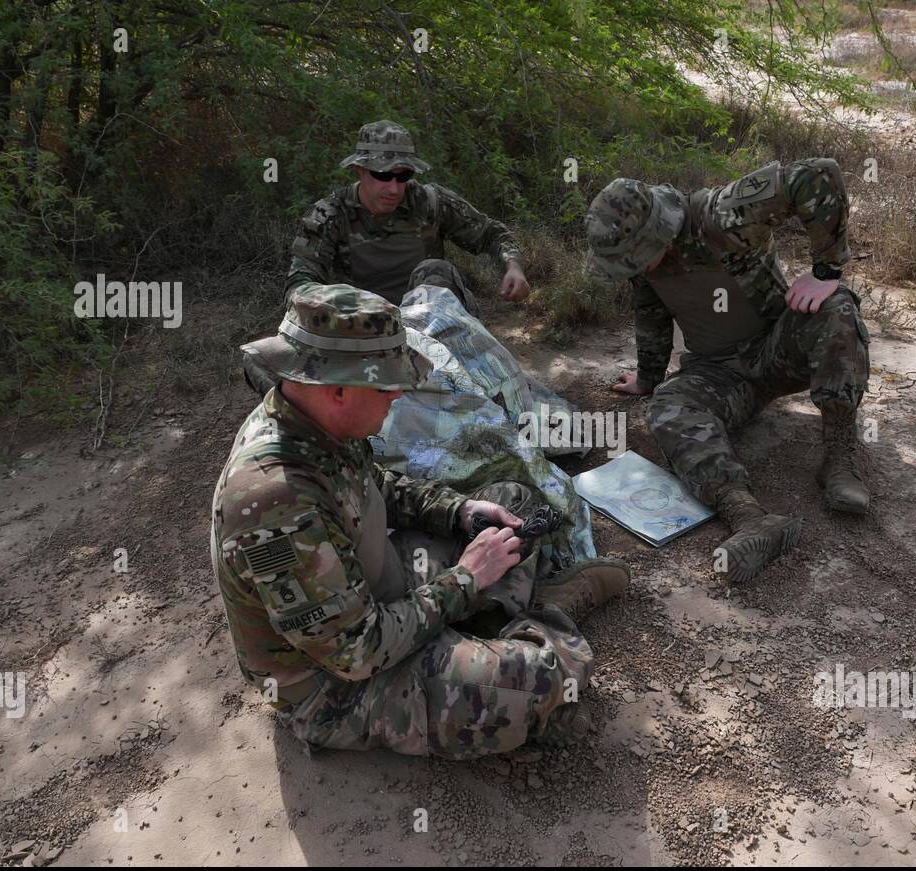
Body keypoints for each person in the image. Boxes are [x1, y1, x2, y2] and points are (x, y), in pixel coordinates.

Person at [213, 283, 629, 758]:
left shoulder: (313, 417)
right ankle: (537, 621)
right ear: (338, 390)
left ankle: (492, 623)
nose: (398, 398)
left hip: (376, 590)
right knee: (544, 681)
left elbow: (378, 487)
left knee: (507, 501)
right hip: (337, 685)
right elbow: (358, 652)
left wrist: (460, 513)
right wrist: (467, 579)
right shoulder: (276, 499)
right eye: (389, 386)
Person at [585, 160, 870, 584]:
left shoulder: (719, 213)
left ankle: (839, 458)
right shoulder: (645, 266)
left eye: (634, 258)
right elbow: (651, 315)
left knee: (837, 305)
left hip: (780, 350)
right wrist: (648, 377)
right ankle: (750, 519)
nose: (635, 268)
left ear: (657, 231)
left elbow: (816, 174)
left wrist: (826, 271)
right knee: (668, 404)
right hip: (721, 375)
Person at [284, 119, 530, 314]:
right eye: (383, 175)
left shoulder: (428, 202)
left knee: (435, 270)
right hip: (361, 325)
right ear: (359, 171)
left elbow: (490, 233)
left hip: (430, 320)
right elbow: (300, 284)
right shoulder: (330, 216)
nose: (393, 188)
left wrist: (514, 267)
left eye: (403, 176)